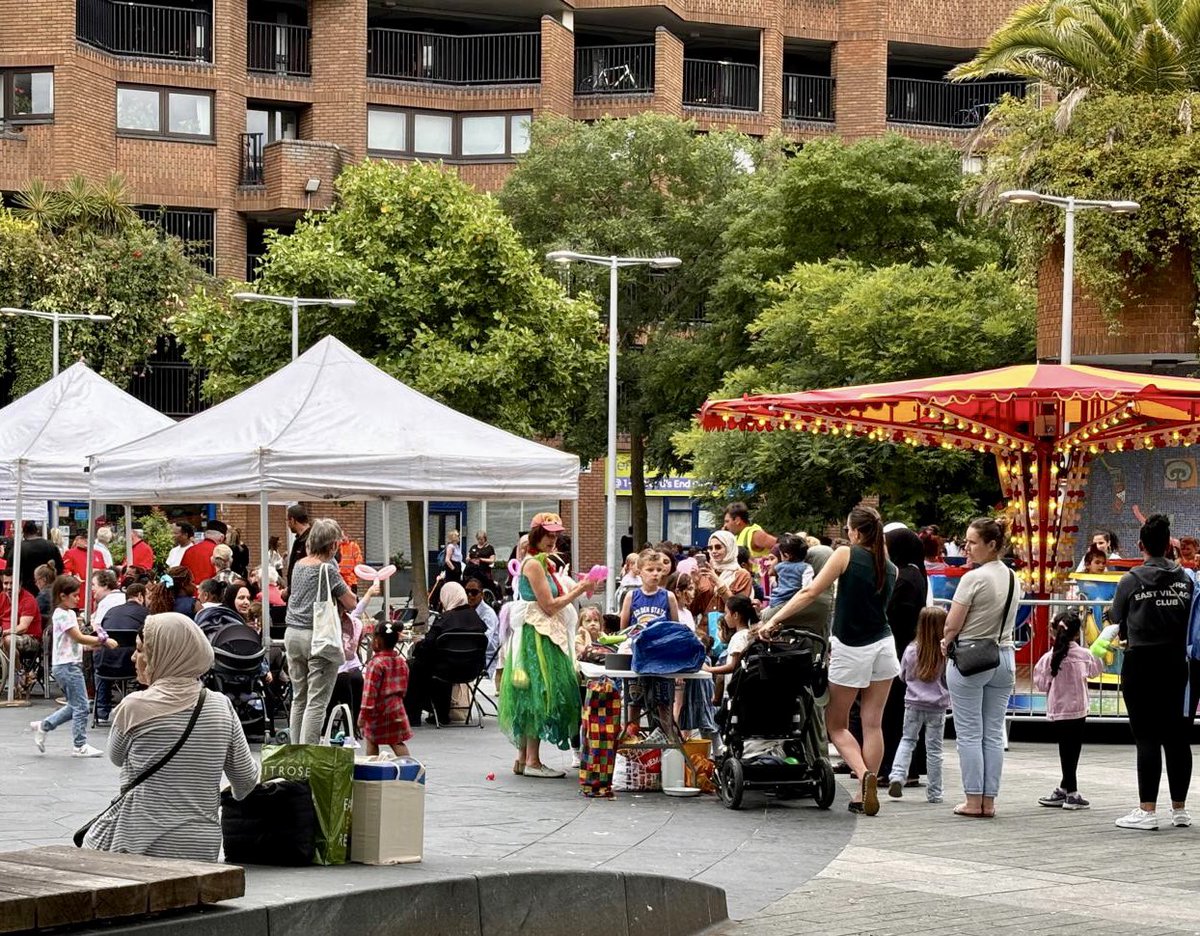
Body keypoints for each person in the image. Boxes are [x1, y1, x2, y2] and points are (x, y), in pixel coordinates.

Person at [82, 612, 259, 860]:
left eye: (141, 650)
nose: (134, 658)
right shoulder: (221, 707)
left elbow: (116, 756)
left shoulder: (133, 706)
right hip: (200, 847)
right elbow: (245, 781)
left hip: (137, 841)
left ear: (163, 655)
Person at [762, 505, 899, 815]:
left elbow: (810, 592)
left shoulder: (846, 554)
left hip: (852, 647)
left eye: (849, 529)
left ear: (855, 531)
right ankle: (869, 789)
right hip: (884, 644)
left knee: (835, 724)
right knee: (873, 722)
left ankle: (863, 777)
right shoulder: (889, 566)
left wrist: (774, 620)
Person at [1109, 513, 1194, 831]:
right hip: (1176, 663)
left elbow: (1116, 616)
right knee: (1177, 737)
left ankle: (1147, 811)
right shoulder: (1185, 579)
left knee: (1146, 736)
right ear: (1168, 545)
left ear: (1141, 545)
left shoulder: (1131, 579)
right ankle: (1180, 810)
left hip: (1141, 662)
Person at [500, 512, 596, 778]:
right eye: (548, 535)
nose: (553, 540)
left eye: (556, 535)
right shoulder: (534, 564)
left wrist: (584, 586)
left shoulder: (542, 562)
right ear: (536, 535)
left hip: (538, 634)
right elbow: (550, 606)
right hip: (537, 637)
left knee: (530, 693)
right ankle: (532, 761)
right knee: (539, 694)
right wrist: (579, 590)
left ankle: (523, 759)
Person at [938, 517, 1018, 819]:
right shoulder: (1013, 576)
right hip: (1004, 656)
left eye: (972, 543)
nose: (966, 548)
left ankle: (973, 800)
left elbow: (952, 623)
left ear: (991, 545)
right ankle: (989, 800)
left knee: (970, 733)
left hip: (971, 658)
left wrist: (945, 641)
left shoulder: (974, 578)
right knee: (994, 732)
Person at [285, 518, 359, 745]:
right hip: (318, 636)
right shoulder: (328, 570)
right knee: (317, 701)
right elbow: (351, 602)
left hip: (293, 634)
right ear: (332, 545)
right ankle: (308, 758)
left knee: (300, 697)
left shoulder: (299, 564)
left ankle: (295, 752)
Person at [30, 575, 116, 757]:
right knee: (82, 706)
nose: (78, 598)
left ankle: (44, 726)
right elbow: (78, 637)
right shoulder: (63, 614)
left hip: (68, 664)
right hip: (67, 666)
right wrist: (104, 640)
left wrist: (96, 644)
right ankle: (80, 745)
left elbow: (76, 643)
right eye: (75, 595)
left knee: (75, 705)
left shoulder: (67, 614)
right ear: (63, 596)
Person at [1033, 609, 1105, 811]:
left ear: (1054, 631)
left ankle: (1065, 788)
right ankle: (1071, 793)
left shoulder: (1049, 658)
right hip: (1079, 708)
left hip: (1059, 708)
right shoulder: (1084, 655)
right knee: (1073, 750)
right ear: (1077, 633)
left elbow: (1040, 682)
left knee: (1066, 749)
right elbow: (1095, 670)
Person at [880, 526, 929, 785]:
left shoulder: (905, 577)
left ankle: (896, 766)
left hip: (898, 649)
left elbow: (896, 614)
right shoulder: (915, 574)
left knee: (895, 710)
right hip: (905, 648)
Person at [887, 606, 948, 804]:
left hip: (913, 703)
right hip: (937, 706)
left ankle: (897, 775)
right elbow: (949, 679)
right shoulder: (945, 652)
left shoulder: (912, 649)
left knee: (907, 740)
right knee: (934, 750)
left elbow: (903, 675)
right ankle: (935, 792)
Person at [405, 581, 486, 725]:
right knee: (442, 660)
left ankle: (413, 715)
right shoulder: (475, 618)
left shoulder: (444, 619)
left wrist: (418, 644)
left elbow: (427, 646)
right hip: (472, 669)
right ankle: (441, 713)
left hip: (445, 669)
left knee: (415, 665)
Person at [358, 619, 413, 757]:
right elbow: (404, 688)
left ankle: (373, 769)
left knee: (371, 740)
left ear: (376, 641)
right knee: (397, 742)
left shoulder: (375, 664)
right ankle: (408, 769)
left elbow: (369, 693)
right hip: (396, 709)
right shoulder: (401, 662)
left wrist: (363, 715)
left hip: (378, 711)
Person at [90, 570, 127, 726]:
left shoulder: (106, 602)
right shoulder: (125, 598)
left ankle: (100, 707)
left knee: (93, 655)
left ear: (105, 586)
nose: (92, 589)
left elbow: (98, 629)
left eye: (94, 585)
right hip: (130, 658)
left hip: (109, 657)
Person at [694, 530, 753, 616]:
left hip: (729, 627)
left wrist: (717, 581)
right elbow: (694, 609)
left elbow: (738, 608)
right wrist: (694, 583)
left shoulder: (742, 575)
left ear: (729, 548)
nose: (713, 551)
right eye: (710, 548)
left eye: (718, 547)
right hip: (705, 627)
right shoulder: (706, 572)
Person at [761, 535, 811, 622]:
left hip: (776, 600)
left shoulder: (779, 567)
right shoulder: (806, 568)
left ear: (786, 556)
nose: (768, 563)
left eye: (772, 558)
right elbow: (807, 587)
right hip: (792, 600)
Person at [465, 573, 501, 675]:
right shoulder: (465, 609)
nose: (469, 595)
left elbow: (485, 642)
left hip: (485, 659)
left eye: (474, 592)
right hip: (468, 656)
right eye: (467, 592)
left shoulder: (488, 614)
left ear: (482, 595)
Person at [19, 520, 62, 594]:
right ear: (37, 531)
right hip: (50, 590)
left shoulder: (19, 548)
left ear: (23, 533)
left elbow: (10, 571)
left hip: (26, 591)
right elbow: (60, 568)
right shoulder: (51, 545)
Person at [182, 520, 225, 587]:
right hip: (210, 593)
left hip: (190, 592)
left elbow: (181, 573)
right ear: (221, 538)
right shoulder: (220, 552)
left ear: (205, 535)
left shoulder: (189, 550)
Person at [285, 505, 311, 593]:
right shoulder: (299, 540)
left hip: (303, 594)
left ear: (292, 520)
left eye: (287, 520)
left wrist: (289, 590)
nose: (287, 524)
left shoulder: (310, 540)